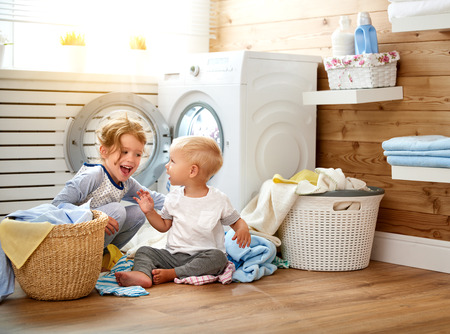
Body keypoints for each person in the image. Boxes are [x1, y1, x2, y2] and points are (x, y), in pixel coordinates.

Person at [115, 136, 251, 288]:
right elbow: (163, 226)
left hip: (204, 256)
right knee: (144, 251)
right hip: (173, 256)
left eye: (172, 161)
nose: (167, 166)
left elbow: (236, 221)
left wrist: (242, 228)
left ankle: (173, 273)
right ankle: (142, 274)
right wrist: (150, 212)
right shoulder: (173, 198)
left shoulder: (218, 199)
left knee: (219, 258)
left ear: (192, 170)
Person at [52, 114, 165, 250]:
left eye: (137, 154)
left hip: (94, 237)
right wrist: (92, 215)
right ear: (104, 151)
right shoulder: (94, 176)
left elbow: (151, 197)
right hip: (73, 238)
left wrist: (184, 200)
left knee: (139, 212)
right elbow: (56, 205)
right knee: (117, 210)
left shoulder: (127, 183)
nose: (131, 159)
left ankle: (104, 256)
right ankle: (90, 257)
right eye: (124, 151)